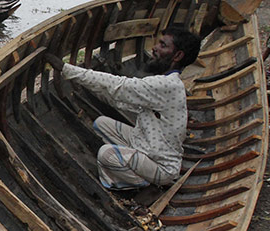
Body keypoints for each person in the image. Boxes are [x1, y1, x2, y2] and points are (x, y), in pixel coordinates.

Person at [45, 27, 201, 190]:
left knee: (107, 154)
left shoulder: (166, 85)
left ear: (177, 55)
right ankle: (131, 164)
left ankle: (139, 184)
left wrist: (65, 69)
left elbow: (118, 86)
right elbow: (120, 99)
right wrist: (94, 86)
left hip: (161, 166)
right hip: (147, 145)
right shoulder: (167, 81)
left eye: (163, 45)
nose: (154, 47)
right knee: (101, 123)